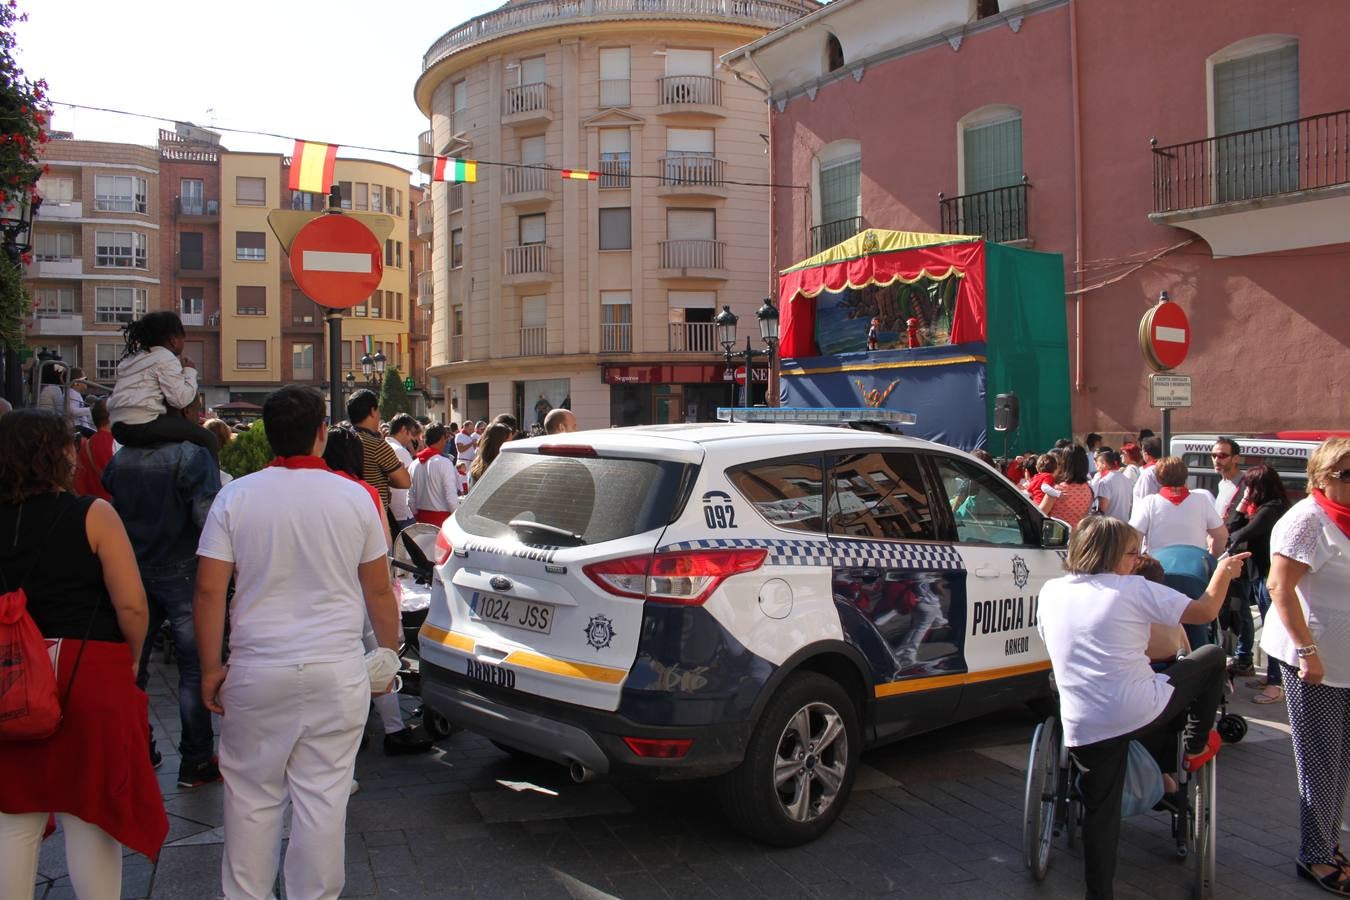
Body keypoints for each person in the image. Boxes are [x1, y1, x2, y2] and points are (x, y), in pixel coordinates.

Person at [194, 385, 402, 899]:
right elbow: (378, 588)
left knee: (250, 800)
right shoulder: (355, 497)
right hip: (336, 671)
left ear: (268, 436)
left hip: (257, 668)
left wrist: (210, 667)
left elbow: (209, 589)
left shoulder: (236, 496)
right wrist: (389, 656)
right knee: (324, 802)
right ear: (320, 434)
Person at [0, 409, 168, 896]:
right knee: (91, 808)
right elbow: (133, 605)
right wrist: (133, 660)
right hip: (88, 668)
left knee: (14, 808)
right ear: (56, 455)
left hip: (9, 672)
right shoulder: (93, 514)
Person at [1038, 516, 1246, 899]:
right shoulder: (1133, 588)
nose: (1137, 560)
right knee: (1212, 654)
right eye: (1133, 553)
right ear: (1112, 554)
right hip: (1139, 707)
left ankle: (1098, 894)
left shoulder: (1051, 590)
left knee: (1102, 815)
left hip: (1083, 719)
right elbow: (1205, 613)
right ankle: (1197, 742)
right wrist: (1223, 572)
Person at [103, 402, 223, 788]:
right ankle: (196, 760)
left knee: (132, 664)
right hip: (183, 566)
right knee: (194, 667)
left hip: (132, 568)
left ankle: (137, 750)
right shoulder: (193, 455)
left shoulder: (123, 458)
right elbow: (208, 519)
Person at [1261, 438, 1350, 894]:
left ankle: (1329, 844)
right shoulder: (1307, 521)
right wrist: (1307, 653)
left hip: (1345, 659)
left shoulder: (1346, 519)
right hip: (1314, 662)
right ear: (1320, 478)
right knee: (1319, 761)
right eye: (1346, 475)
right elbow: (1280, 588)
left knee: (1341, 762)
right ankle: (1314, 856)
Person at [321, 425, 435, 759]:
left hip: (325, 590)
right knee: (378, 658)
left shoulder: (311, 489)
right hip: (361, 587)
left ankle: (347, 732)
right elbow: (383, 547)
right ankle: (393, 729)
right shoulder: (363, 491)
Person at [105, 311, 218, 456]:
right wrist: (189, 371)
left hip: (118, 427)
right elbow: (180, 400)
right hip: (141, 424)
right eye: (183, 338)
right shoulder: (165, 357)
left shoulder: (134, 358)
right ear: (173, 340)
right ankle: (212, 479)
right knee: (208, 439)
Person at [1226, 464, 1289, 699]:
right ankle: (1273, 677)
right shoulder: (1263, 507)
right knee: (1269, 624)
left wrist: (1242, 510)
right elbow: (1233, 527)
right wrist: (1242, 507)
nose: (1246, 490)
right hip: (1260, 574)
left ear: (1259, 486)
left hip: (1269, 575)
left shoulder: (1272, 509)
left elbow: (1238, 534)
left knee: (1274, 627)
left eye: (1249, 486)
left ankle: (1276, 683)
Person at [1129, 456, 1227, 556]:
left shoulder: (1149, 502)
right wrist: (1212, 558)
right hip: (1195, 567)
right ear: (1185, 476)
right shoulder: (1202, 500)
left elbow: (1132, 537)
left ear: (1158, 478)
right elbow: (1221, 536)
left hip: (1158, 566)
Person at [345, 389, 411, 518]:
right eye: (378, 410)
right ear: (372, 411)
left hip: (347, 512)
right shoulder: (377, 445)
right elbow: (405, 482)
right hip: (373, 513)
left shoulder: (341, 440)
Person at [409, 425, 460, 526]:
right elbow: (451, 498)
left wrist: (417, 517)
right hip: (442, 521)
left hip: (421, 521)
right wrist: (459, 519)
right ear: (442, 438)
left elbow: (410, 498)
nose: (447, 442)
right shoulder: (445, 463)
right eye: (446, 438)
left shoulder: (414, 464)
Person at [1038, 445, 1095, 530]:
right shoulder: (1089, 490)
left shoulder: (1056, 490)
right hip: (1077, 538)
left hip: (1057, 538)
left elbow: (1039, 515)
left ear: (1065, 463)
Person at [73, 398, 116, 502]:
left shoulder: (86, 444)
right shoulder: (115, 444)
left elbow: (78, 482)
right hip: (110, 508)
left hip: (89, 506)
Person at [385, 413, 420, 533]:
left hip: (390, 511)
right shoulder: (399, 450)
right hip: (401, 512)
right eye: (412, 433)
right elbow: (412, 481)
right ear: (403, 430)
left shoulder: (384, 446)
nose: (412, 438)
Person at [1092, 448, 1133, 522]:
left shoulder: (1105, 481)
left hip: (1111, 526)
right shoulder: (1125, 479)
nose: (1097, 468)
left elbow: (1102, 510)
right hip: (1125, 524)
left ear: (1104, 464)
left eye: (1097, 464)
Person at [468, 422, 512, 487]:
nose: (511, 444)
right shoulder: (503, 468)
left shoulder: (476, 465)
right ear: (500, 444)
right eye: (509, 441)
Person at [1210, 437, 1244, 516]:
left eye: (1222, 456)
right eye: (1214, 455)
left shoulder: (1246, 483)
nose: (1216, 460)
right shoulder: (1222, 483)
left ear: (1236, 458)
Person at [1132, 436, 1163, 500]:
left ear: (1146, 455)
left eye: (1142, 451)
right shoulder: (1168, 467)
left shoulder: (1148, 473)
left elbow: (1146, 500)